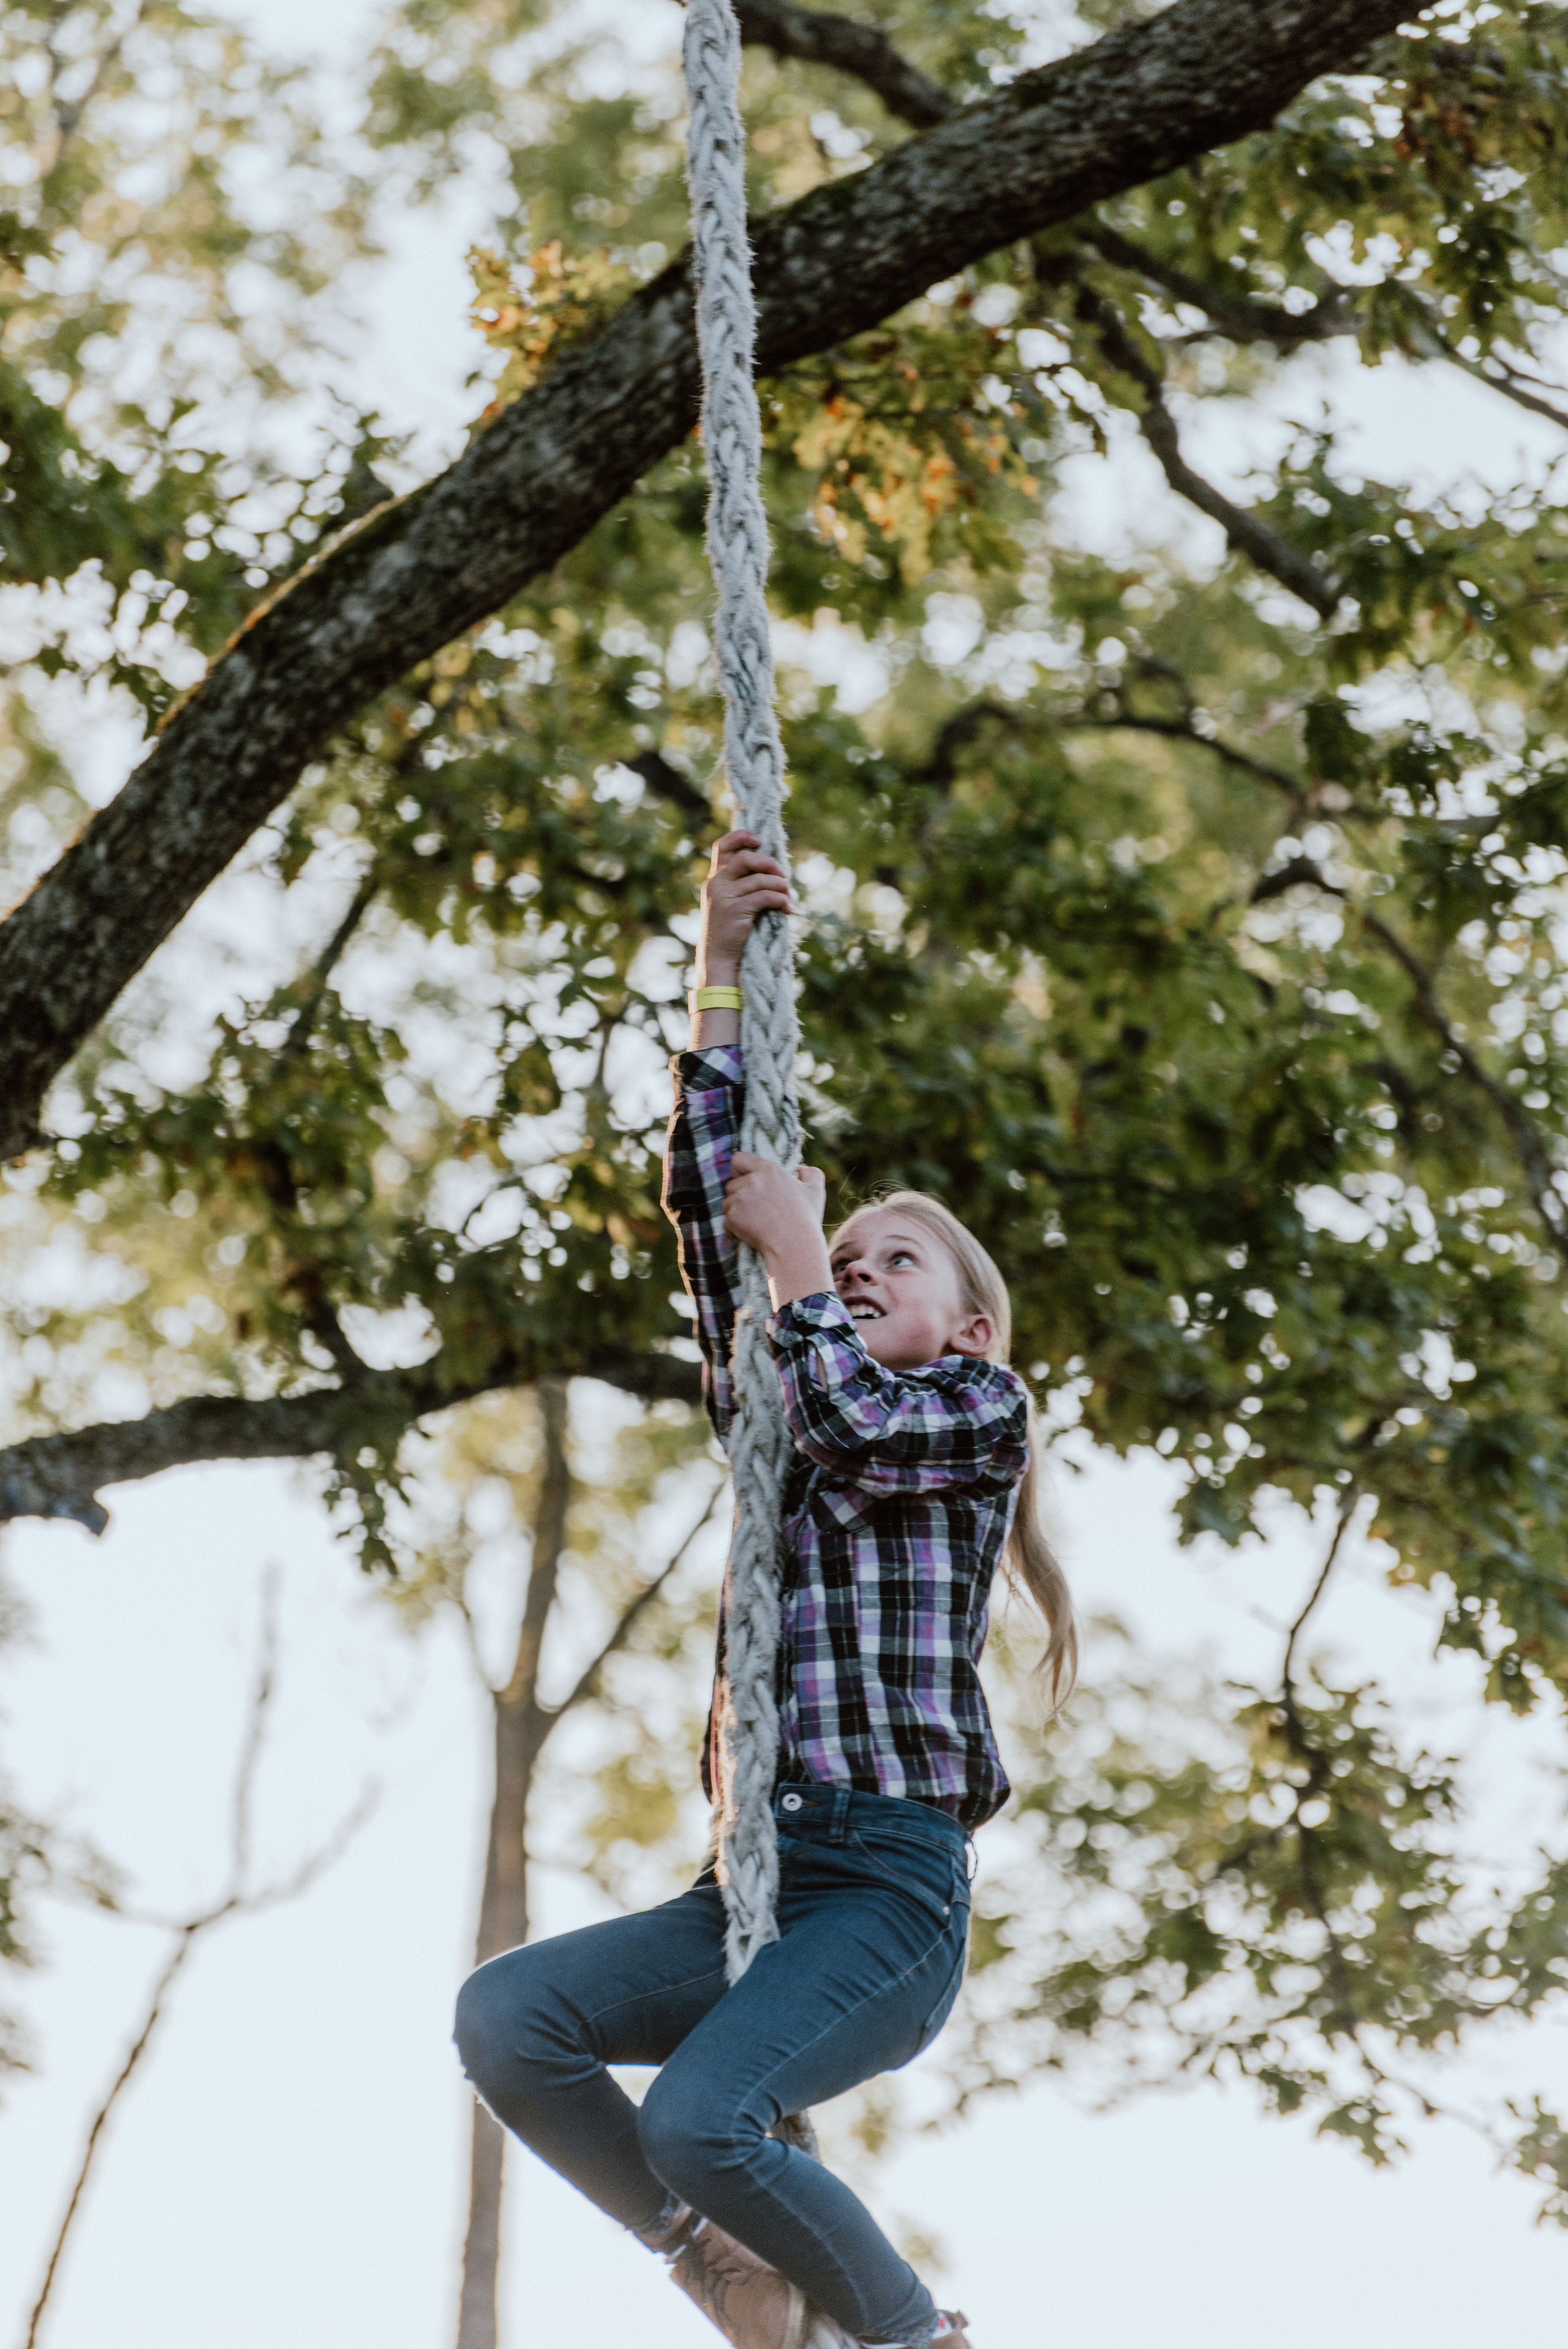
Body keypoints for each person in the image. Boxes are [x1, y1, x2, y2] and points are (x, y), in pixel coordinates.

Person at [454, 831, 1076, 2349]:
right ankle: (712, 2257)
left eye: (896, 1258)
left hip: (884, 1891)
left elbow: (855, 1413)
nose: (856, 1267)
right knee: (507, 2019)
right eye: (845, 1251)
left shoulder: (973, 1420)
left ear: (973, 1325)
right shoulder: (784, 1387)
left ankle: (915, 2337)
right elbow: (708, 1198)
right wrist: (719, 970)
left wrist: (800, 1252)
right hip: (754, 1872)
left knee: (701, 2113)